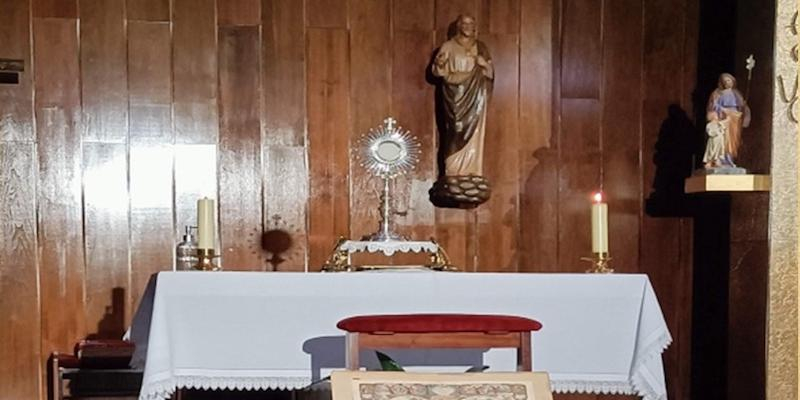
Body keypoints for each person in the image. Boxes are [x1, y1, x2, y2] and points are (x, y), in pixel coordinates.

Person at [432, 14, 493, 177]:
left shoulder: (481, 47)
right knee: (455, 129)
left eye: (470, 23)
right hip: (454, 95)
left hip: (475, 94)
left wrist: (484, 64)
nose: (467, 27)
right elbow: (438, 72)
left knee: (475, 130)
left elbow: (490, 74)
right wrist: (439, 64)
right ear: (459, 26)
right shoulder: (448, 46)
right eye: (464, 23)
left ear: (475, 27)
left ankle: (472, 170)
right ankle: (452, 170)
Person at [704, 73, 750, 168]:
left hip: (734, 119)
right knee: (723, 140)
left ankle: (730, 159)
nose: (727, 83)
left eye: (729, 80)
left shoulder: (736, 93)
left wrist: (743, 107)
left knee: (733, 141)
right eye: (725, 81)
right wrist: (723, 110)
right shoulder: (717, 93)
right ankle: (721, 159)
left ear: (733, 81)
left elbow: (742, 107)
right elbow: (713, 106)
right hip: (724, 118)